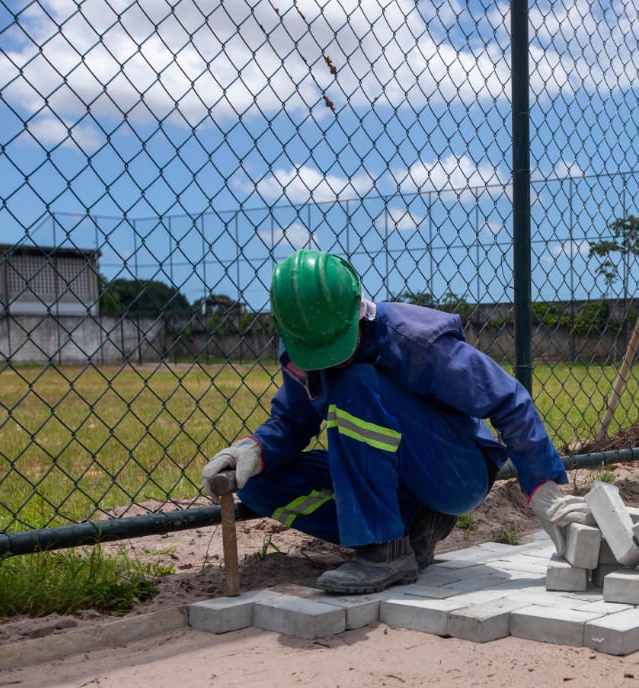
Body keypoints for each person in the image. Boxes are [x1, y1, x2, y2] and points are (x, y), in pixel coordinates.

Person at [201, 249, 587, 594]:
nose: (327, 362)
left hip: (456, 471)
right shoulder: (304, 347)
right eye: (314, 353)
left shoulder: (413, 339)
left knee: (354, 384)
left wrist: (544, 491)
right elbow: (292, 421)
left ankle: (383, 550)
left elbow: (509, 399)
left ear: (357, 309)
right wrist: (255, 449)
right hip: (397, 476)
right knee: (258, 483)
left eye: (333, 347)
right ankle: (407, 530)